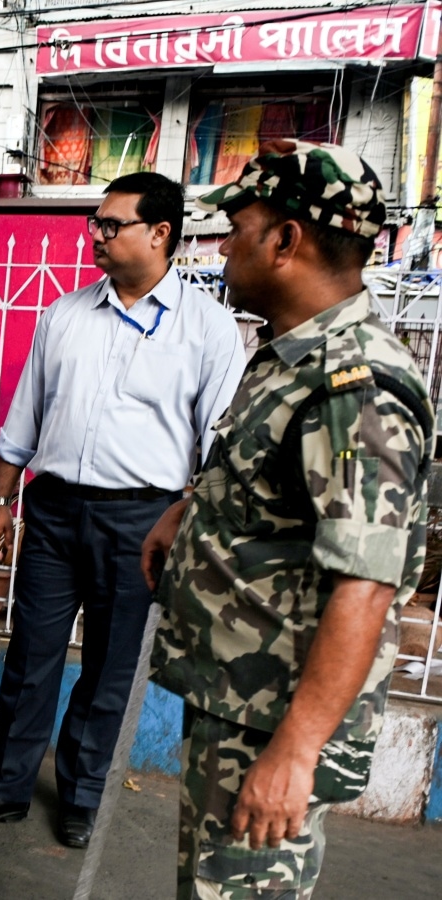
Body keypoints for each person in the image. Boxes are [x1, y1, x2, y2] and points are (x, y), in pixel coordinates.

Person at [142, 141, 430, 899]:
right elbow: (274, 489)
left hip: (274, 722)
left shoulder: (356, 388)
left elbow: (365, 586)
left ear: (286, 240)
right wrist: (188, 511)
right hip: (240, 700)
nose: (223, 243)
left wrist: (295, 754)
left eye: (238, 225)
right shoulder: (290, 358)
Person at [0, 171, 246, 848]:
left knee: (110, 667)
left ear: (159, 233)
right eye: (95, 224)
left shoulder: (209, 330)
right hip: (52, 512)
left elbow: (219, 440)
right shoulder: (64, 314)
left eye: (112, 225)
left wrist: (186, 518)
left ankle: (81, 797)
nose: (96, 236)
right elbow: (25, 414)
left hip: (141, 520)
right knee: (31, 656)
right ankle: (5, 788)